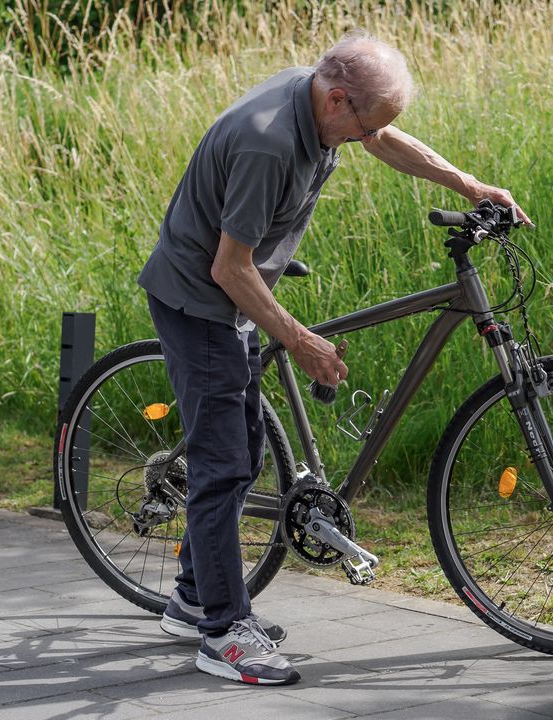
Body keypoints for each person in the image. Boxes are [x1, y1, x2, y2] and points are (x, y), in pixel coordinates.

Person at [137, 31, 531, 686]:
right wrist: (300, 338)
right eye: (360, 127)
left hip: (237, 279)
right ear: (338, 99)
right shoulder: (269, 141)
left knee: (247, 450)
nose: (363, 139)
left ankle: (191, 594)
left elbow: (382, 138)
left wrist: (469, 185)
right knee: (224, 464)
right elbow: (229, 268)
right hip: (199, 300)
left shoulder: (322, 93)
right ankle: (222, 633)